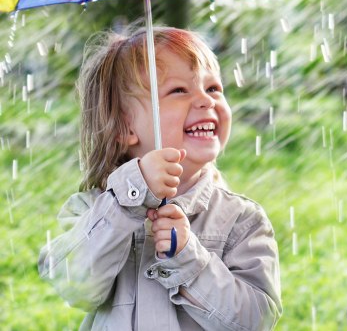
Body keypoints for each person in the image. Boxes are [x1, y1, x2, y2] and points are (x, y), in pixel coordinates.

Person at [39, 26, 281, 330]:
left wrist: (189, 260)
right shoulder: (93, 208)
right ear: (124, 128)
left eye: (213, 88)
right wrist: (128, 201)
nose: (206, 101)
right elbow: (75, 286)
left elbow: (256, 320)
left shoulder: (240, 221)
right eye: (179, 90)